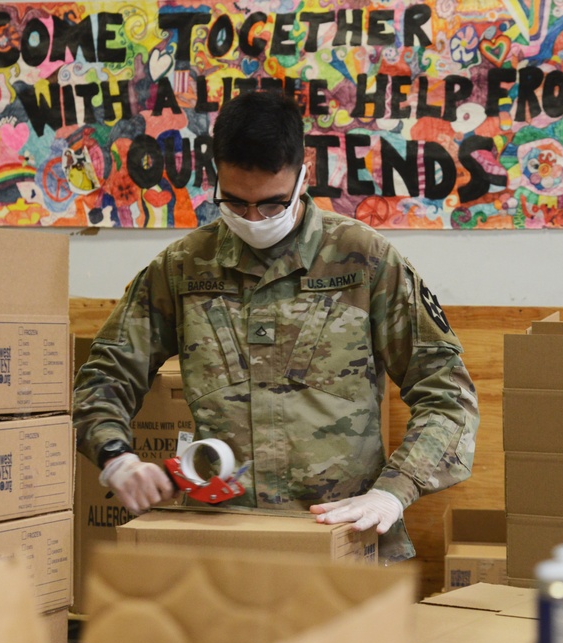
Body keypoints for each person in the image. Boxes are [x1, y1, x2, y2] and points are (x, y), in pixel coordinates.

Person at [73, 90, 480, 564]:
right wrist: (115, 456)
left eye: (271, 205)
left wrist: (394, 490)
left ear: (302, 173)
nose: (253, 219)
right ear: (216, 178)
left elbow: (449, 397)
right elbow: (104, 376)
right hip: (227, 549)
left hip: (343, 543)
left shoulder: (363, 259)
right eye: (235, 203)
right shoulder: (185, 267)